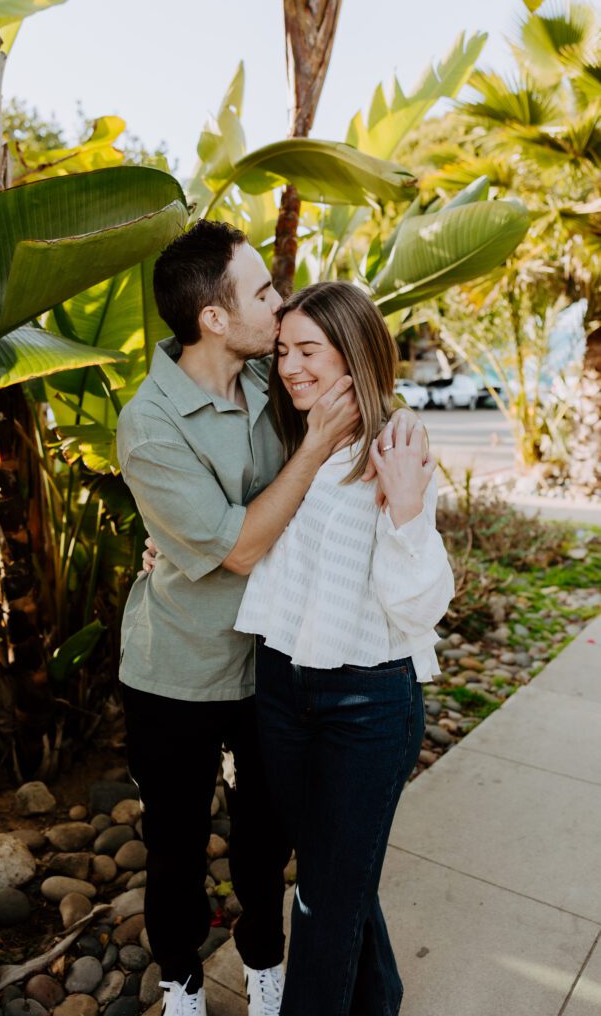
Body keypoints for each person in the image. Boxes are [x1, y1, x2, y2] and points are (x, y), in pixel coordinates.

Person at [116, 222, 412, 1016]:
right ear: (213, 318)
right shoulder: (149, 425)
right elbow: (242, 548)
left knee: (264, 841)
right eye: (261, 292)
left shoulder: (266, 383)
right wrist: (305, 457)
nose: (278, 307)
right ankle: (179, 981)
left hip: (268, 663)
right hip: (175, 668)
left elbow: (351, 371)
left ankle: (263, 962)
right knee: (175, 842)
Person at [234, 281, 455, 1016]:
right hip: (283, 689)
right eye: (282, 351)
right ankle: (379, 1000)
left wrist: (406, 509)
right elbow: (264, 549)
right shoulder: (300, 440)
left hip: (365, 703)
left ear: (351, 352)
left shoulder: (394, 444)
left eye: (308, 351)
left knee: (324, 901)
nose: (290, 366)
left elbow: (419, 604)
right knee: (338, 881)